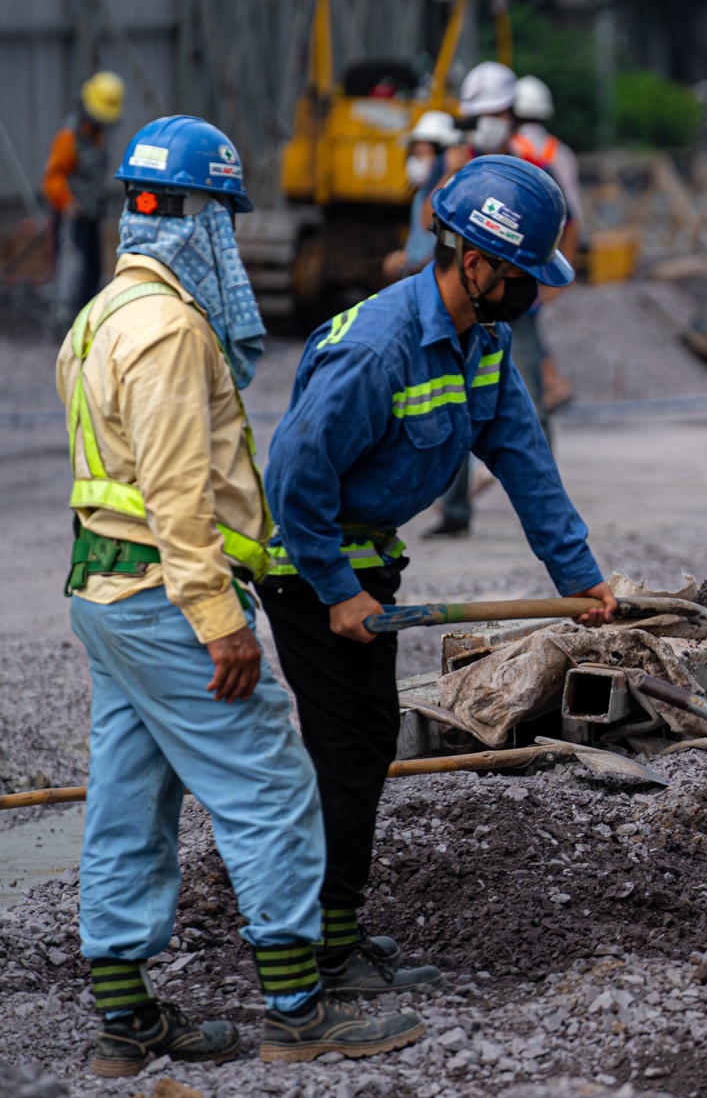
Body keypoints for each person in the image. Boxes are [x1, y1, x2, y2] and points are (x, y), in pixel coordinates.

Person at [60, 115, 422, 1072]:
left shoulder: (98, 316)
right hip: (168, 598)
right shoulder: (173, 332)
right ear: (198, 220)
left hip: (103, 593)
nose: (229, 242)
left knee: (128, 798)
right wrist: (222, 621)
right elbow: (178, 495)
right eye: (222, 220)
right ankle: (298, 1010)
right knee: (268, 785)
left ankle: (125, 1022)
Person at [257, 154, 618, 994]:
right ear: (475, 262)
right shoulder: (380, 348)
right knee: (348, 754)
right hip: (307, 567)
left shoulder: (482, 342)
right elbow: (292, 478)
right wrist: (338, 589)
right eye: (526, 277)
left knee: (369, 741)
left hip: (365, 564)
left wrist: (581, 575)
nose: (535, 295)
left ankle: (336, 930)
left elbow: (524, 460)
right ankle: (318, 955)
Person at [427, 62, 525, 536]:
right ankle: (455, 509)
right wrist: (451, 173)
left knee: (523, 408)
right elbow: (431, 219)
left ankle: (526, 493)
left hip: (513, 302)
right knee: (455, 403)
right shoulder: (453, 164)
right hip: (464, 304)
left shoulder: (531, 162)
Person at [509, 75, 579, 416]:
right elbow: (573, 214)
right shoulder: (559, 152)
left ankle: (548, 383)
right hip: (550, 250)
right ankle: (549, 382)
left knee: (521, 327)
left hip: (516, 251)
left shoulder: (512, 149)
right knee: (529, 325)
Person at [44, 71, 127, 318]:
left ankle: (90, 313)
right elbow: (53, 177)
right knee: (73, 269)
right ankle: (66, 318)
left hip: (92, 212)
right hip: (72, 216)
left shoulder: (96, 134)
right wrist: (67, 202)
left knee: (93, 267)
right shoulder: (68, 137)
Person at [381, 109, 461, 283]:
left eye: (423, 153)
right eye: (415, 153)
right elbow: (417, 247)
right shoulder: (422, 193)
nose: (417, 160)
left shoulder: (452, 192)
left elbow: (428, 223)